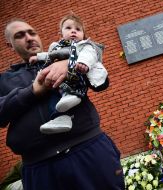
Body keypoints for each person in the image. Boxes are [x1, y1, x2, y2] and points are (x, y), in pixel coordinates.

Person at [0, 18, 124, 190]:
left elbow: (102, 83)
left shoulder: (61, 56)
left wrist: (70, 62)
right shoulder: (4, 80)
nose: (29, 38)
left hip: (89, 150)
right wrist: (33, 91)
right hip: (40, 167)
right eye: (20, 35)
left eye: (32, 32)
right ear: (10, 45)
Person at [29, 13, 108, 134]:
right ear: (60, 33)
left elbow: (89, 54)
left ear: (83, 34)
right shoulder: (57, 47)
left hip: (76, 78)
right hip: (58, 84)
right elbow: (49, 56)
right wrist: (38, 57)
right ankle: (62, 119)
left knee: (66, 94)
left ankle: (73, 96)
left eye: (78, 29)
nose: (73, 31)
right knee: (54, 99)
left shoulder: (83, 45)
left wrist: (84, 62)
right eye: (68, 28)